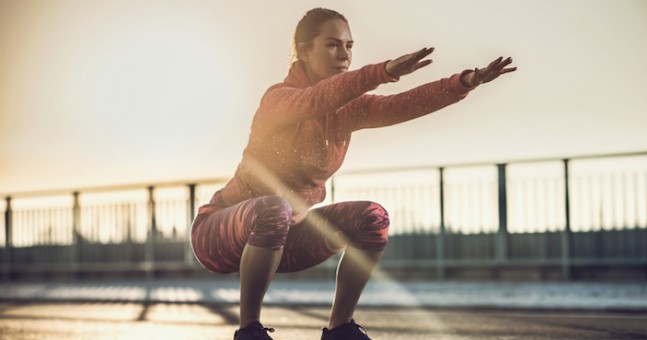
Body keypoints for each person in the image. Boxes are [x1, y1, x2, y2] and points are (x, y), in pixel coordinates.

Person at [190, 7, 516, 340]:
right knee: (275, 207)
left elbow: (401, 105)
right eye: (332, 45)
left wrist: (465, 82)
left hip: (284, 236)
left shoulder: (347, 111)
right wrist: (379, 72)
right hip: (219, 235)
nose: (343, 54)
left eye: (349, 46)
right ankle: (249, 330)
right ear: (304, 51)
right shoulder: (278, 100)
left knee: (373, 218)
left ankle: (339, 328)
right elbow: (317, 100)